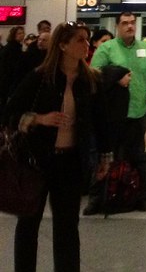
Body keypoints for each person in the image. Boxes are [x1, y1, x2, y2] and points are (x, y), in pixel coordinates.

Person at [6, 22, 107, 272]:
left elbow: (100, 121)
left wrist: (105, 156)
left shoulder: (90, 80)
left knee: (67, 226)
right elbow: (9, 112)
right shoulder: (40, 77)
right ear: (63, 45)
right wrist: (39, 119)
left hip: (70, 161)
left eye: (87, 39)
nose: (86, 45)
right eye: (80, 40)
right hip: (37, 161)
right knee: (29, 224)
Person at [88, 10, 146, 213]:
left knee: (138, 157)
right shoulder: (107, 49)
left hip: (136, 112)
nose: (130, 26)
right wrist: (115, 78)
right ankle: (97, 198)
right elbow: (93, 74)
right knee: (106, 156)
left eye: (133, 22)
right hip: (112, 114)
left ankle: (140, 196)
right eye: (125, 23)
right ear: (117, 26)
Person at [0, 24, 27, 107]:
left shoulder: (11, 47)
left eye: (23, 33)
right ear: (14, 35)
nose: (22, 35)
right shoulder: (13, 49)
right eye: (19, 33)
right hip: (8, 81)